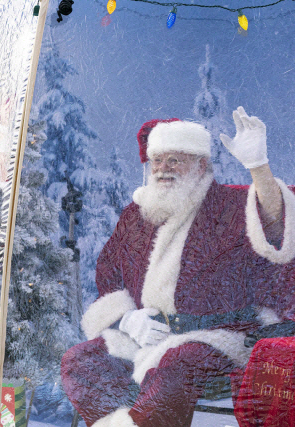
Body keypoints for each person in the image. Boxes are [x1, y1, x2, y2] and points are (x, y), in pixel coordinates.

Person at [61, 107, 295, 427]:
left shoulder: (229, 206)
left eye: (175, 160)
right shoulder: (137, 216)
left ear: (201, 165)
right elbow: (109, 274)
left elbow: (274, 220)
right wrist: (127, 319)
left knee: (176, 366)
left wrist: (258, 168)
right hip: (146, 334)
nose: (163, 168)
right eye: (157, 160)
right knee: (80, 361)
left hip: (217, 336)